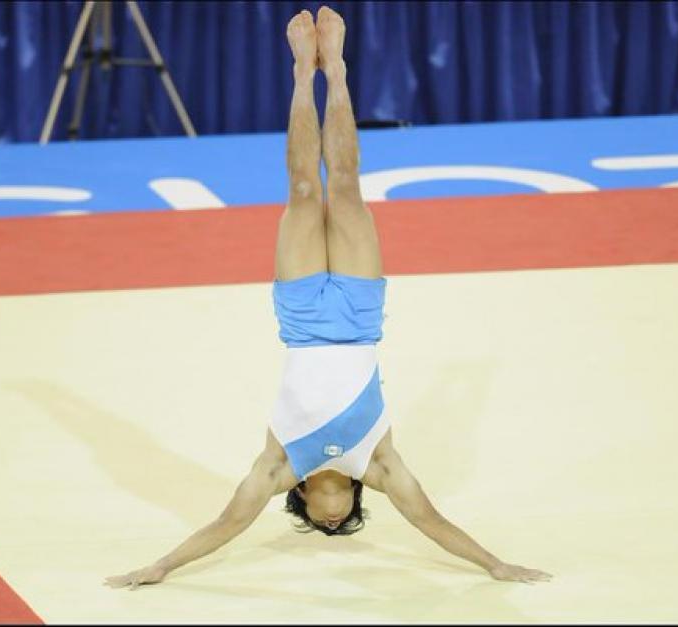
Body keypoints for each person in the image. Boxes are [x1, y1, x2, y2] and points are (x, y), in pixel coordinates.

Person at [105, 6, 552, 590]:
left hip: (303, 319)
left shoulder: (279, 464)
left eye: (323, 525)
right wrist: (495, 565)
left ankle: (300, 75)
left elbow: (227, 523)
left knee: (301, 187)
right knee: (343, 186)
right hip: (361, 316)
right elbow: (430, 520)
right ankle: (335, 72)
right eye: (344, 524)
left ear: (302, 502)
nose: (335, 521)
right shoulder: (379, 464)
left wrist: (161, 566)